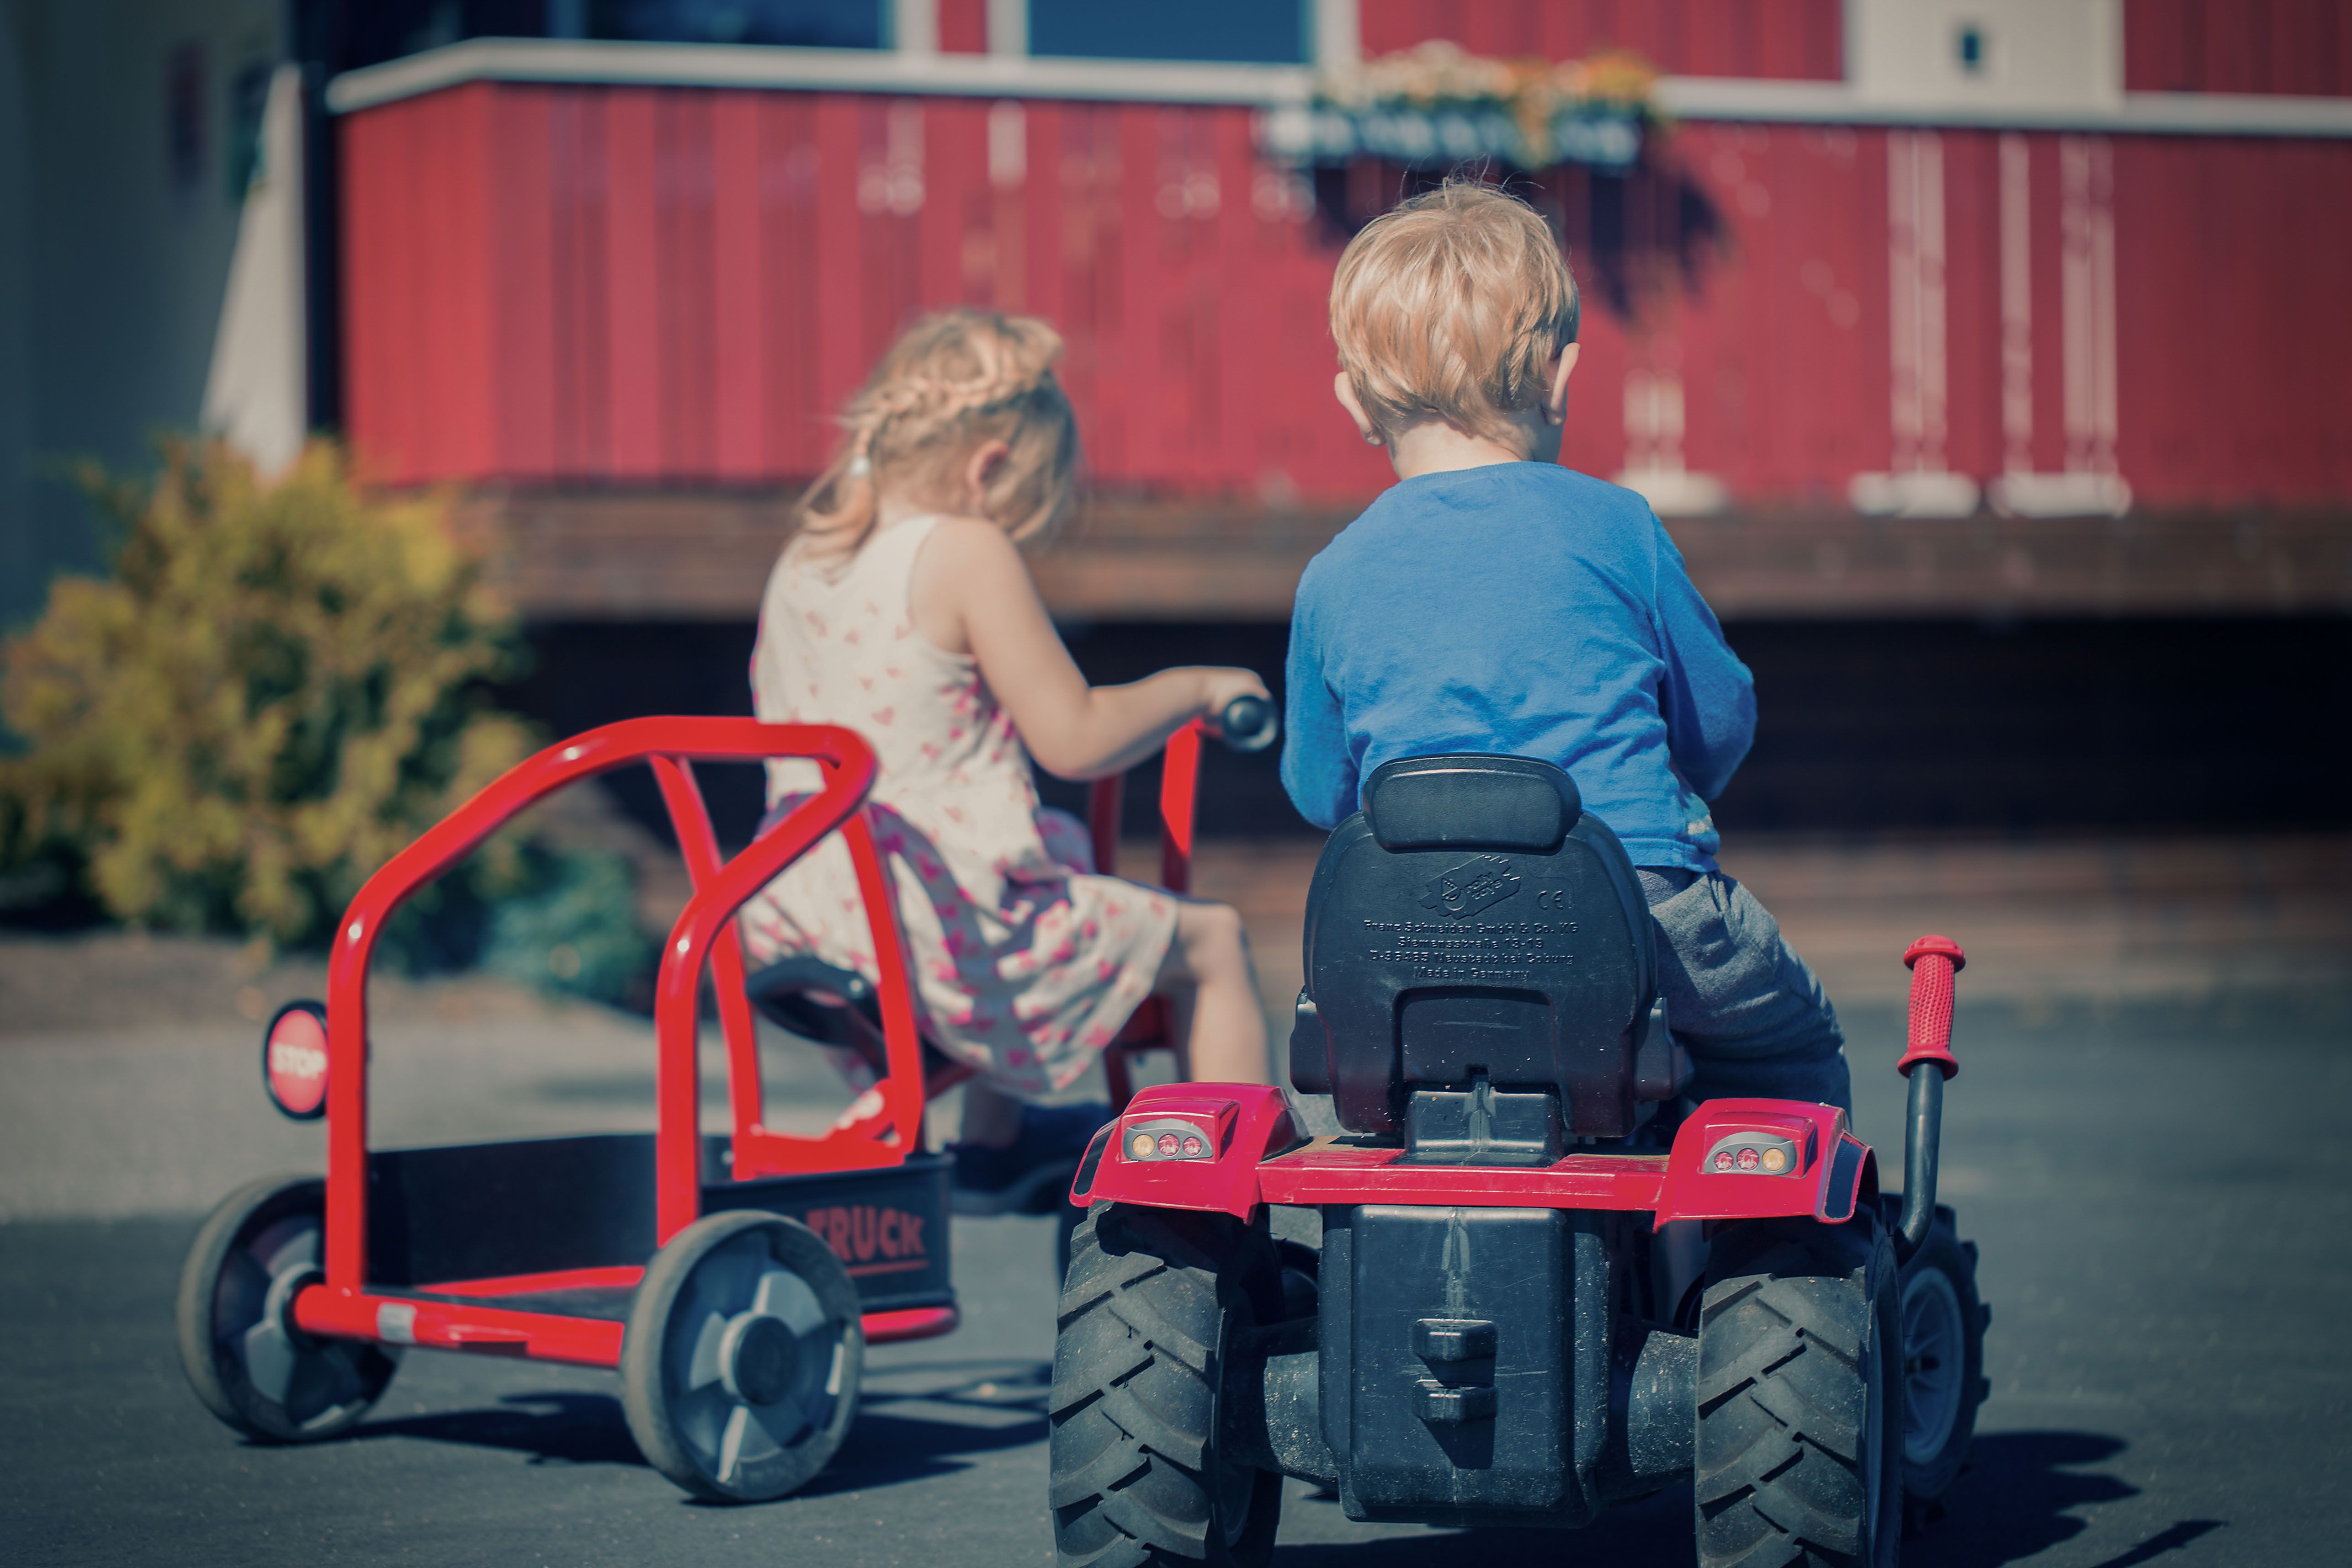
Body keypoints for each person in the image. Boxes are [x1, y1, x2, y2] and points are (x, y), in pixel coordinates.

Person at [1281, 181, 1850, 1113]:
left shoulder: (1335, 574)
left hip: (1406, 927)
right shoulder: (1618, 527)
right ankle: (1784, 1233)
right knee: (1786, 1046)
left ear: (1352, 400)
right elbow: (1718, 721)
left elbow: (1321, 794)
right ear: (1559, 374)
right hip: (1633, 902)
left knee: (1350, 1098)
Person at [739, 308, 1274, 1211]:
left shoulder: (808, 554)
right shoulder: (962, 549)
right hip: (928, 932)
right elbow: (1075, 735)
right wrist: (1194, 689)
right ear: (987, 469)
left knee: (1049, 840)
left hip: (804, 914)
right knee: (1212, 941)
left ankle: (995, 1142)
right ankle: (1232, 1215)